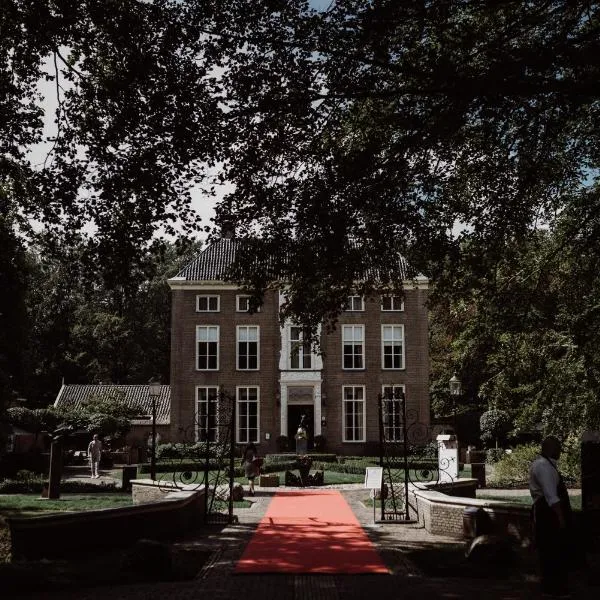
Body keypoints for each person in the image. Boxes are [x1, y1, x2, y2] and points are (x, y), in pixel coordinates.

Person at [529, 435, 573, 598]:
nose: (560, 451)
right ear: (549, 448)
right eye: (558, 447)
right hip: (548, 514)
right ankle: (553, 588)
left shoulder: (547, 465)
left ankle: (552, 586)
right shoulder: (543, 467)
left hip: (547, 512)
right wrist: (561, 519)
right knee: (552, 550)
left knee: (553, 550)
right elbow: (551, 497)